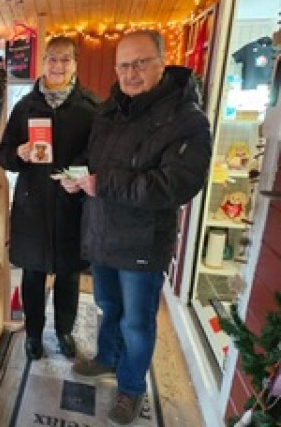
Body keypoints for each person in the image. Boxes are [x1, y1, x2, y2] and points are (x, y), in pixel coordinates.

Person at [61, 30, 211, 426]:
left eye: (140, 63)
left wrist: (102, 182)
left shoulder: (187, 119)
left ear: (163, 62)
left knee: (138, 321)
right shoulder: (111, 108)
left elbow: (178, 184)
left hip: (144, 240)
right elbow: (95, 158)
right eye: (124, 65)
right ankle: (108, 358)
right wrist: (77, 174)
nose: (131, 73)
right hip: (104, 232)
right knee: (107, 306)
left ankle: (131, 388)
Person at [0, 36, 98, 361]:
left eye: (65, 59)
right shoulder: (25, 107)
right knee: (33, 274)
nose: (58, 66)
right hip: (32, 204)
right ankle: (34, 334)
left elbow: (98, 154)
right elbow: (3, 155)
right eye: (52, 59)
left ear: (75, 63)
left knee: (69, 275)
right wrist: (19, 153)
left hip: (72, 204)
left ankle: (64, 331)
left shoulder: (91, 107)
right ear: (43, 63)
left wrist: (79, 177)